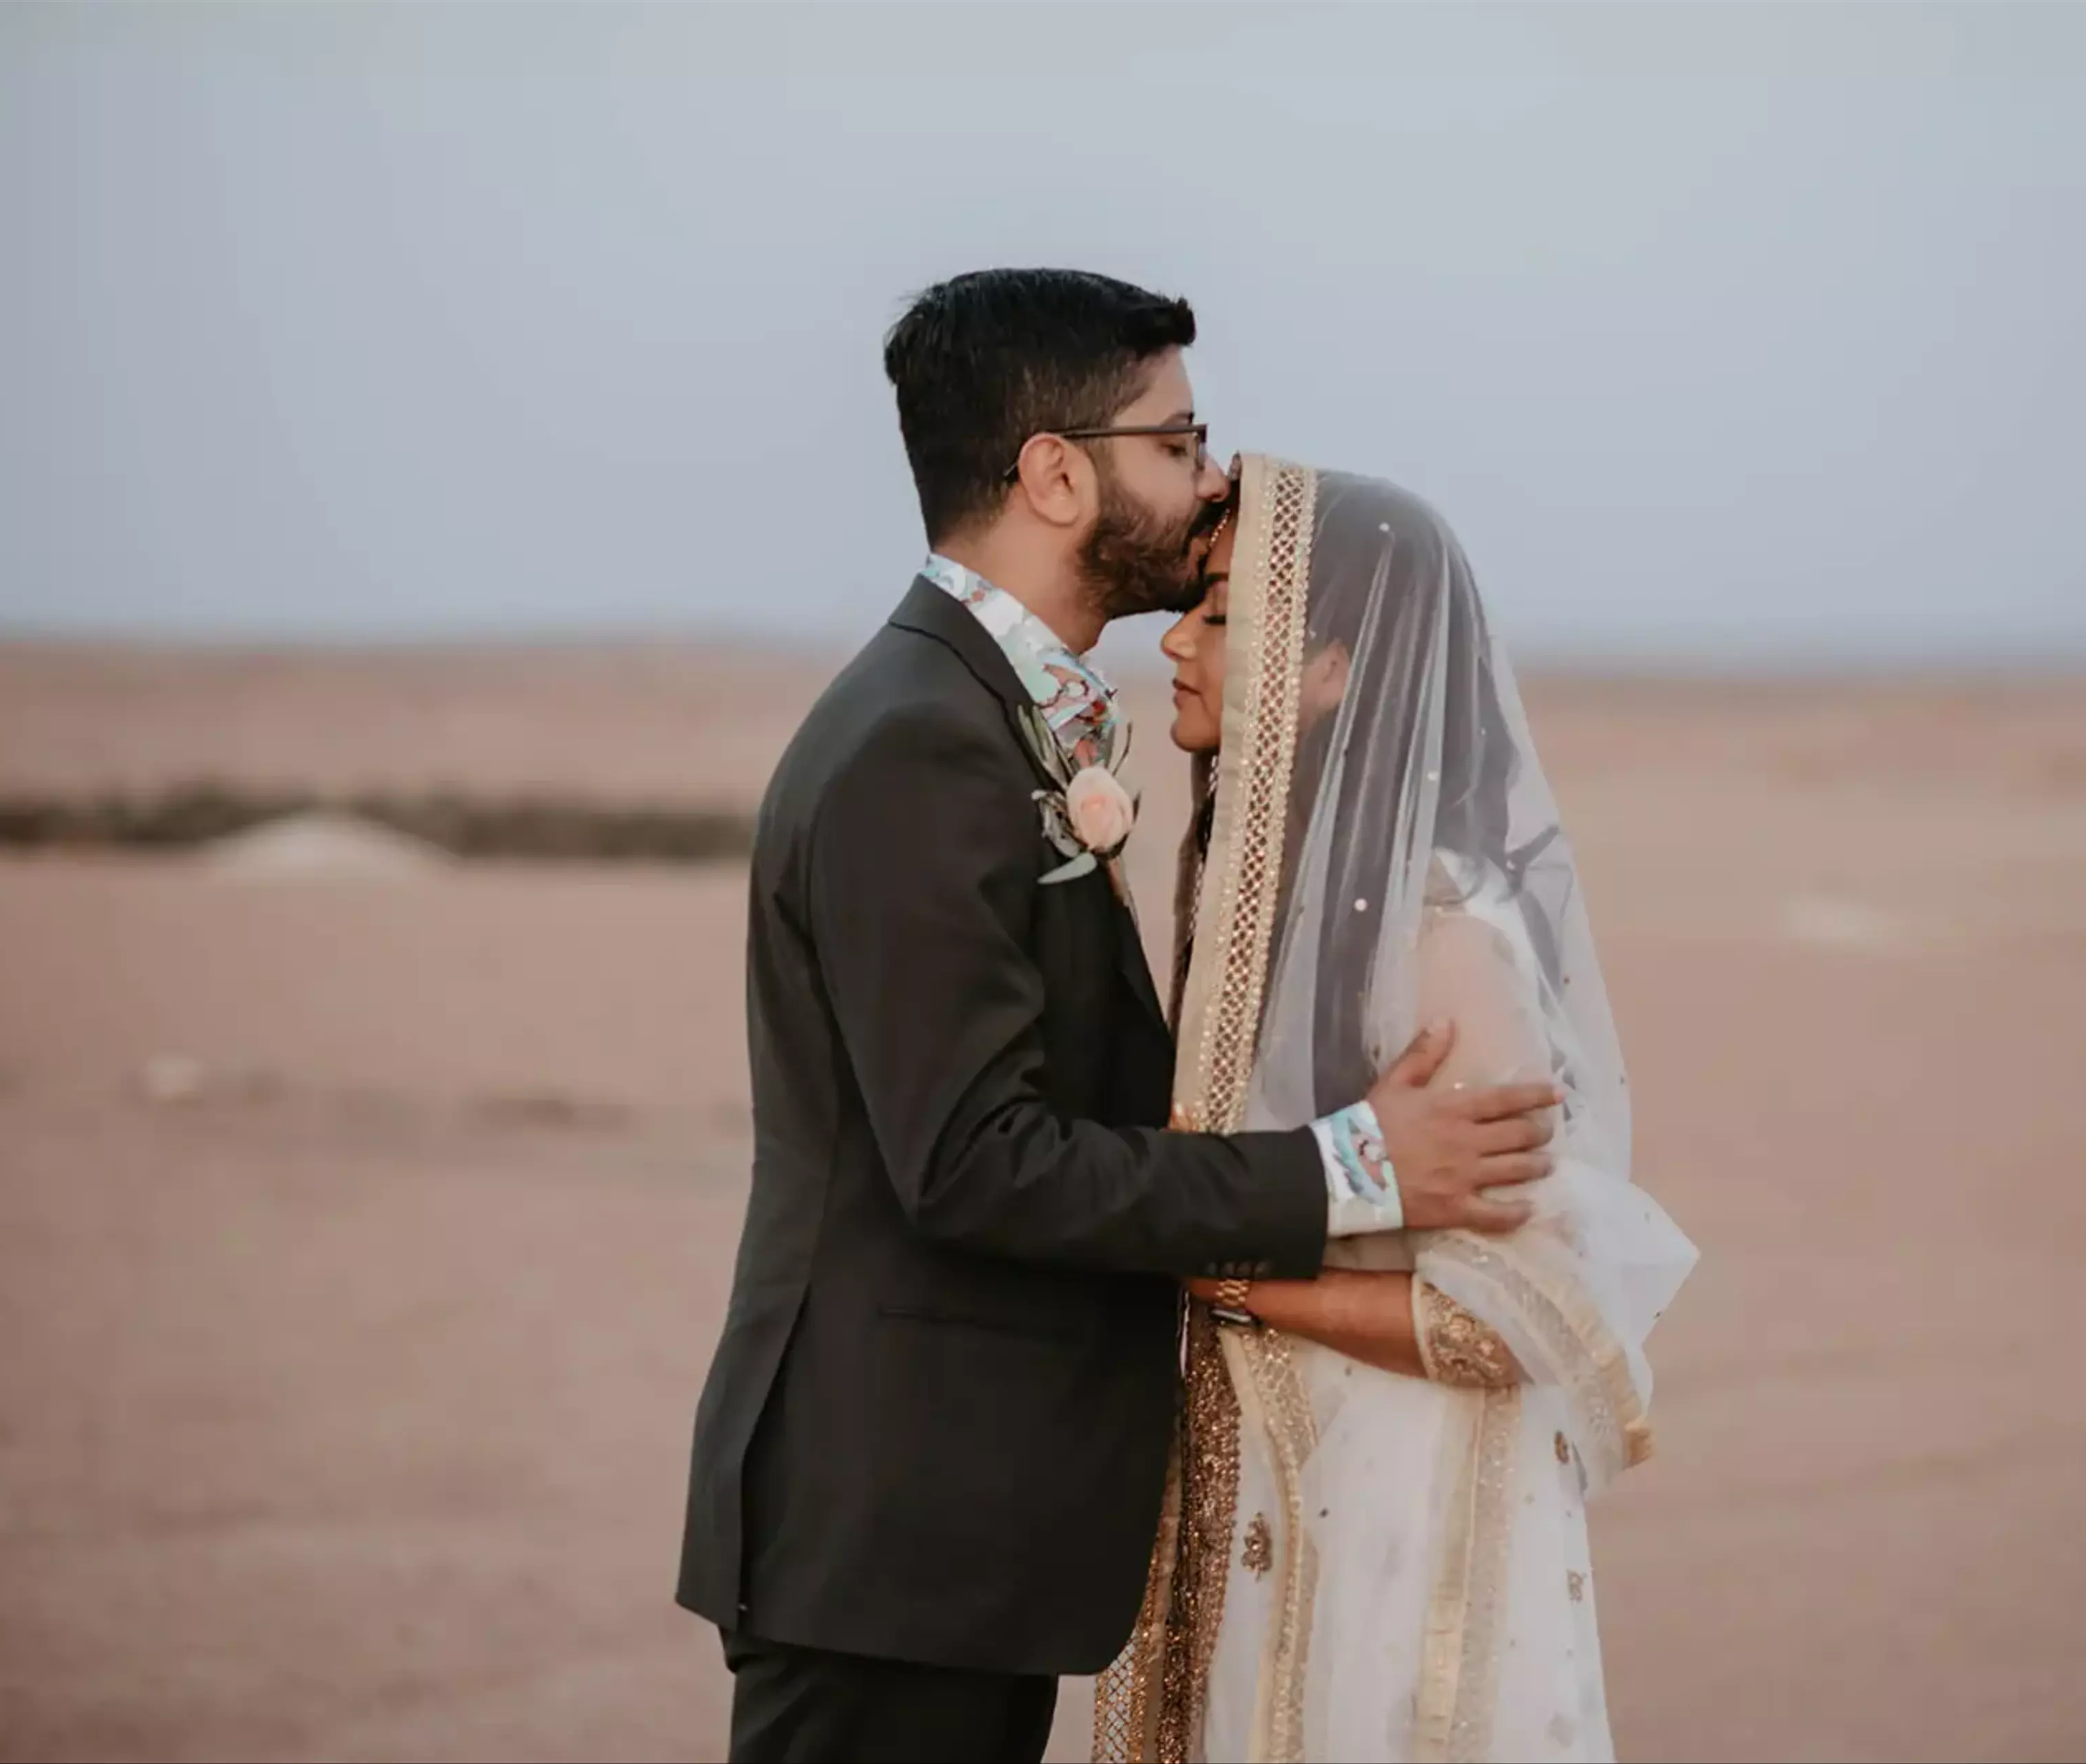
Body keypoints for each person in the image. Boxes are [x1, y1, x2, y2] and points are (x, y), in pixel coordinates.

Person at [674, 273, 1566, 1764]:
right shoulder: (920, 744)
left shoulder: (967, 719)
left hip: (945, 1538)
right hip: (894, 1529)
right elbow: (977, 1163)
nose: (1212, 483)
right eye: (1181, 439)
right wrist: (1351, 1169)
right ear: (1054, 472)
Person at [1096, 457, 1697, 1763]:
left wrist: (1226, 1281)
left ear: (1328, 671)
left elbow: (1520, 1314)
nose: (1175, 641)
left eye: (1216, 612)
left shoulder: (1440, 940)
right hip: (1279, 1498)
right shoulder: (1271, 924)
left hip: (1407, 1537)